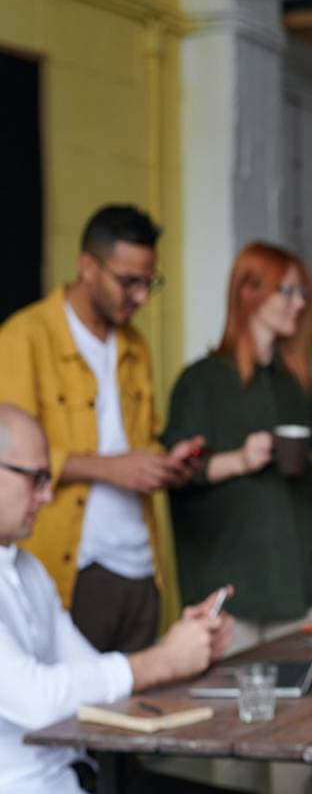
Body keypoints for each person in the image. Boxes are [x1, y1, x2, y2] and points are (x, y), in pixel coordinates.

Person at [161, 242, 312, 793]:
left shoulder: (295, 383)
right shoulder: (201, 382)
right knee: (234, 747)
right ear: (248, 291)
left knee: (297, 746)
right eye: (286, 289)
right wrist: (238, 459)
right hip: (232, 589)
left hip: (296, 583)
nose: (298, 303)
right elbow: (174, 474)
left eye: (303, 291)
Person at [0, 204, 205, 653]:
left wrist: (165, 463)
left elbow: (139, 441)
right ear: (87, 267)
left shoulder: (136, 346)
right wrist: (111, 469)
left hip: (141, 566)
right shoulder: (24, 337)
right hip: (73, 568)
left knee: (143, 710)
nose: (140, 297)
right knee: (77, 714)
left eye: (148, 283)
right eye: (128, 282)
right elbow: (9, 458)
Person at [0, 403, 232, 794]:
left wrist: (183, 647)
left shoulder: (28, 569)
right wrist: (163, 661)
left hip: (85, 776)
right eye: (37, 477)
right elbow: (37, 698)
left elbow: (93, 671)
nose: (48, 493)